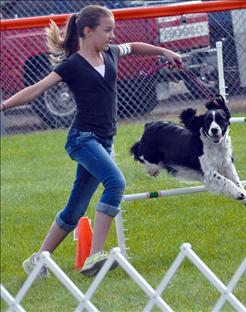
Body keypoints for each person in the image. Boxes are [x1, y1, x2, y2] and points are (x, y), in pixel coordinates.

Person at [0, 5, 182, 277]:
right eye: (107, 30)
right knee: (116, 182)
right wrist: (2, 106)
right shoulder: (72, 65)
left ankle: (37, 260)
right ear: (88, 31)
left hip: (104, 141)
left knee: (74, 210)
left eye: (113, 30)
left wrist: (164, 51)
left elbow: (134, 46)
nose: (112, 36)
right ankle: (94, 257)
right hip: (82, 139)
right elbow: (35, 90)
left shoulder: (110, 53)